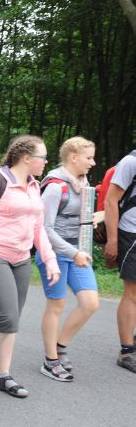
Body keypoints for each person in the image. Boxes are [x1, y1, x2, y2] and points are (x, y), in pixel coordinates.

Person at [0, 135, 60, 398]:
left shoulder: (34, 186)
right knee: (5, 316)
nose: (45, 162)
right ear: (26, 158)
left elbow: (38, 228)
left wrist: (50, 259)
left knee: (12, 321)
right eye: (42, 157)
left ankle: (3, 375)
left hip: (21, 259)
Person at [36, 137, 99, 382]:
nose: (93, 163)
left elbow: (76, 215)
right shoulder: (55, 186)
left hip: (76, 251)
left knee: (90, 303)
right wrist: (74, 253)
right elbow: (45, 228)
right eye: (89, 158)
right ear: (73, 157)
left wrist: (93, 218)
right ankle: (50, 360)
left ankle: (60, 346)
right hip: (54, 253)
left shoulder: (82, 181)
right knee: (57, 305)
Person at [104, 149, 136, 373]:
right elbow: (111, 200)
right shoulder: (131, 161)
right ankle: (126, 352)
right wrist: (113, 240)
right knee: (132, 293)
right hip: (131, 233)